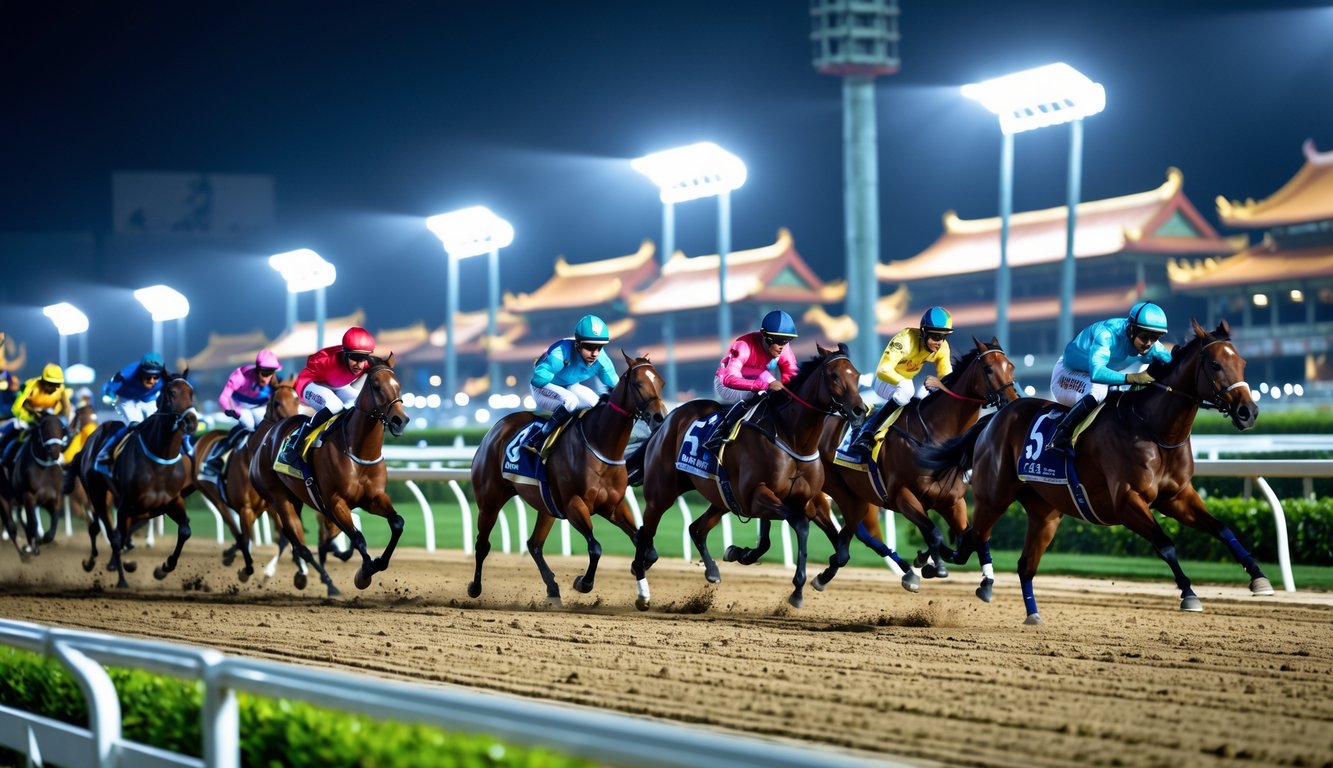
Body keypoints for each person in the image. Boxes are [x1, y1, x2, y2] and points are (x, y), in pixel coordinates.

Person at [1048, 300, 1173, 454]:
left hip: (1100, 373)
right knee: (1099, 390)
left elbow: (1176, 368)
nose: (1148, 343)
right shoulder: (1106, 335)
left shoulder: (1153, 347)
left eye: (1154, 338)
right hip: (1066, 374)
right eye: (1145, 337)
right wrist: (1132, 378)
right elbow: (1097, 373)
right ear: (1131, 330)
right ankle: (1060, 437)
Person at [847, 306, 954, 453]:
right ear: (924, 332)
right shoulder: (905, 339)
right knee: (907, 389)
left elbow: (948, 378)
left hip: (905, 384)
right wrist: (902, 382)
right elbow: (883, 370)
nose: (940, 342)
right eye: (936, 336)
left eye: (944, 337)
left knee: (926, 395)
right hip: (884, 381)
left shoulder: (943, 348)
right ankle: (866, 433)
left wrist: (941, 386)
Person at [275, 327, 377, 472]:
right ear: (345, 353)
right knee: (335, 405)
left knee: (357, 403)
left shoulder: (365, 364)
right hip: (310, 383)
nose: (359, 364)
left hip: (337, 385)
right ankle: (293, 444)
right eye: (355, 357)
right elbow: (310, 363)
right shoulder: (326, 360)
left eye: (364, 358)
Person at [700, 310, 800, 454]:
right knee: (757, 395)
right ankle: (719, 434)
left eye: (787, 340)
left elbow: (793, 377)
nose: (782, 346)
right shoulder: (743, 345)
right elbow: (729, 379)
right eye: (778, 340)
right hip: (726, 382)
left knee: (783, 394)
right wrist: (765, 386)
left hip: (758, 376)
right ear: (766, 337)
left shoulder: (784, 348)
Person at [520, 314, 619, 454]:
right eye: (589, 347)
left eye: (599, 347)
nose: (595, 353)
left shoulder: (602, 360)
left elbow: (618, 389)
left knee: (596, 403)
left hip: (570, 386)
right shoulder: (560, 352)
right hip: (541, 387)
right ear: (577, 344)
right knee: (570, 401)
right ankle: (537, 439)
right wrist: (545, 362)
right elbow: (538, 379)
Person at [200, 349, 282, 481]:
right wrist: (230, 409)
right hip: (239, 405)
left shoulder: (276, 382)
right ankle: (214, 458)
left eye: (270, 373)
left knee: (267, 425)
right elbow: (223, 398)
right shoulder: (240, 376)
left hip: (259, 406)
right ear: (257, 369)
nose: (265, 378)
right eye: (263, 373)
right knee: (248, 424)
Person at [92, 352, 167, 476]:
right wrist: (110, 394)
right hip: (127, 399)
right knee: (135, 426)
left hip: (148, 399)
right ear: (140, 372)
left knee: (158, 426)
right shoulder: (126, 374)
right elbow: (108, 388)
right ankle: (105, 453)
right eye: (148, 377)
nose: (152, 381)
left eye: (156, 377)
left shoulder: (164, 376)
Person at [0, 364, 70, 463]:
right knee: (11, 429)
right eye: (51, 385)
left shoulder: (60, 389)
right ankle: (4, 456)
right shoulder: (29, 385)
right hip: (28, 418)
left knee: (68, 432)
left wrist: (62, 420)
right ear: (43, 381)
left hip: (49, 419)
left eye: (57, 385)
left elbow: (66, 407)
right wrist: (32, 418)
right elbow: (15, 408)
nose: (55, 388)